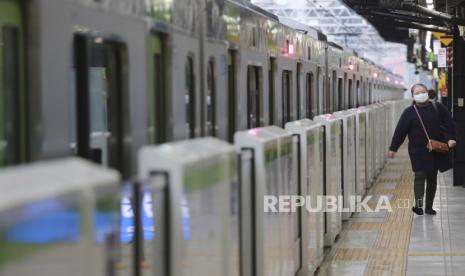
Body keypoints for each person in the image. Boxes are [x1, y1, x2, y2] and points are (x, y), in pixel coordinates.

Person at [388, 83, 456, 215]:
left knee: (432, 177)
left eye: (422, 91)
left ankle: (429, 207)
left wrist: (451, 138)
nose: (420, 94)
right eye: (417, 93)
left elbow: (449, 123)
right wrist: (393, 148)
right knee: (419, 175)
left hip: (435, 148)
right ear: (413, 96)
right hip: (417, 150)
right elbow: (400, 131)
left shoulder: (438, 107)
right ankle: (418, 205)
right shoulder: (409, 112)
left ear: (427, 92)